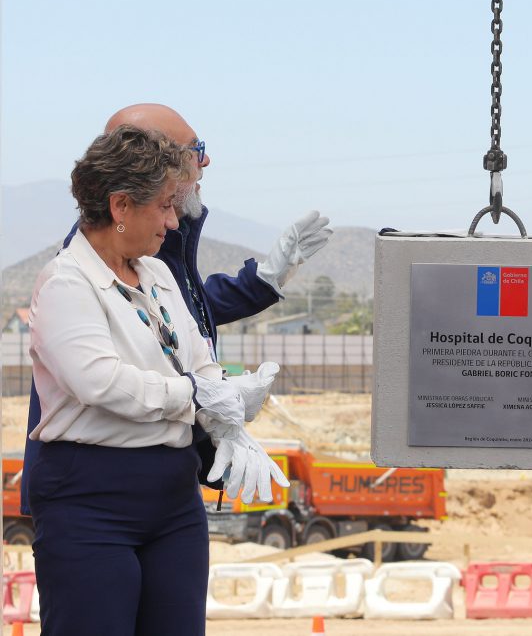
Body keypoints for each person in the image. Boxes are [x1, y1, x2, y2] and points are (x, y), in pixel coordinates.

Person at [28, 126, 288, 635]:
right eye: (166, 206)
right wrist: (197, 395)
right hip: (90, 498)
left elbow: (198, 359)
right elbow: (102, 382)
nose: (173, 221)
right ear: (121, 206)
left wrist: (227, 412)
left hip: (173, 499)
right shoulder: (66, 283)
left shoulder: (157, 275)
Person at [20, 103, 333, 513]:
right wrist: (203, 397)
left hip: (162, 473)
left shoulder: (151, 236)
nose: (205, 161)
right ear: (149, 158)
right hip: (103, 481)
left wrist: (263, 281)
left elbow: (184, 309)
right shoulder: (103, 252)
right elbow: (108, 376)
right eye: (194, 149)